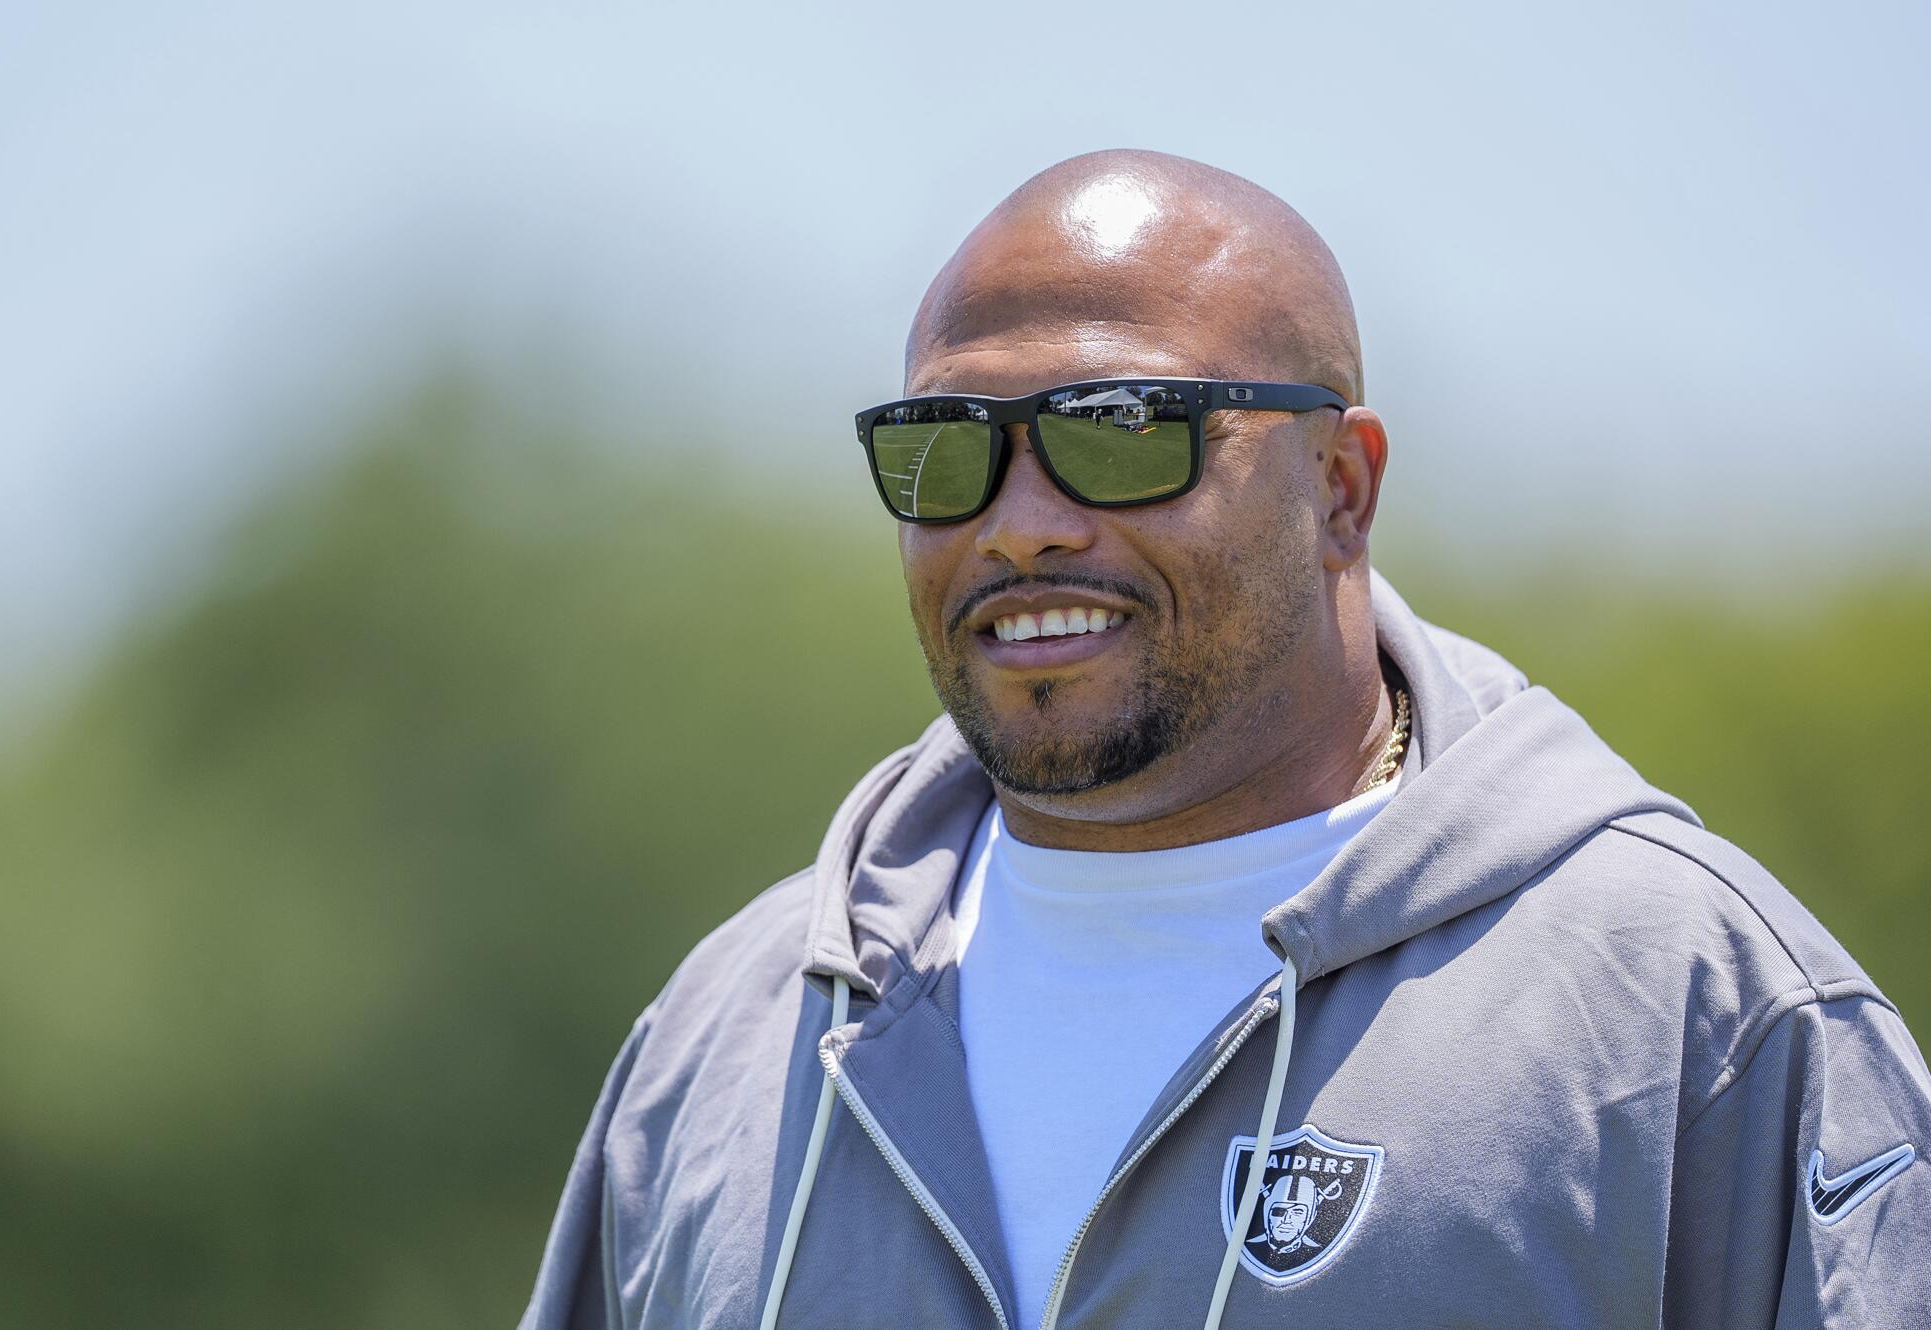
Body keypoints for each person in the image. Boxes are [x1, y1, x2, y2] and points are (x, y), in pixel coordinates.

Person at [520, 150, 1930, 1328]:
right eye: (944, 449)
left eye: (1122, 429)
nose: (1020, 522)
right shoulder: (735, 1036)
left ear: (1340, 487)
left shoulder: (1691, 1010)